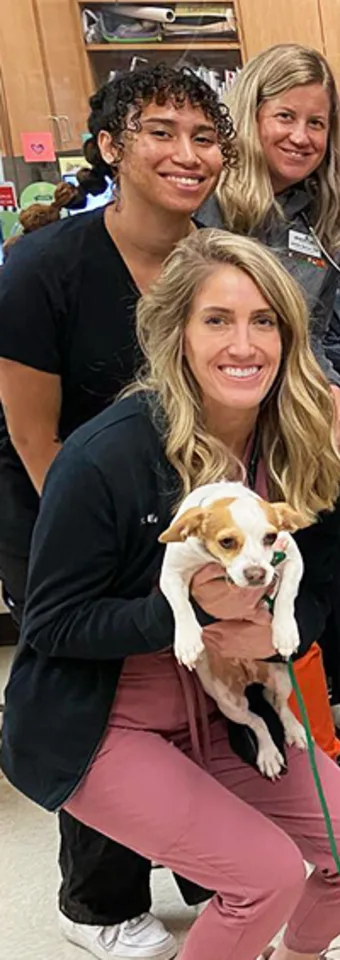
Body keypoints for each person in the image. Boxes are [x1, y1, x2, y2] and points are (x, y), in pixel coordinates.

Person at [0, 229, 340, 960]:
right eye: (217, 319)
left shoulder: (300, 442)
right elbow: (51, 623)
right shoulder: (105, 456)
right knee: (264, 876)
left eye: (264, 321)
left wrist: (281, 633)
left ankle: (297, 955)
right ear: (175, 333)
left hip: (226, 708)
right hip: (106, 726)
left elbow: (324, 586)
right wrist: (180, 616)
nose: (243, 344)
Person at [0, 64, 230, 960]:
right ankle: (96, 901)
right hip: (54, 502)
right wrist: (121, 556)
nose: (187, 153)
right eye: (161, 133)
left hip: (178, 507)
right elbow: (34, 438)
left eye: (204, 137)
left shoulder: (213, 257)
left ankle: (206, 857)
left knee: (190, 676)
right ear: (110, 148)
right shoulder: (43, 267)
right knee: (105, 693)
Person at [198, 40, 340, 768]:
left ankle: (306, 709)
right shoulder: (212, 206)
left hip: (290, 403)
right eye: (285, 116)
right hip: (224, 411)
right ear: (251, 116)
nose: (302, 136)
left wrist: (330, 384)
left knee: (326, 536)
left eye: (318, 123)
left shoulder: (315, 208)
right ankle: (246, 716)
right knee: (239, 565)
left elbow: (314, 329)